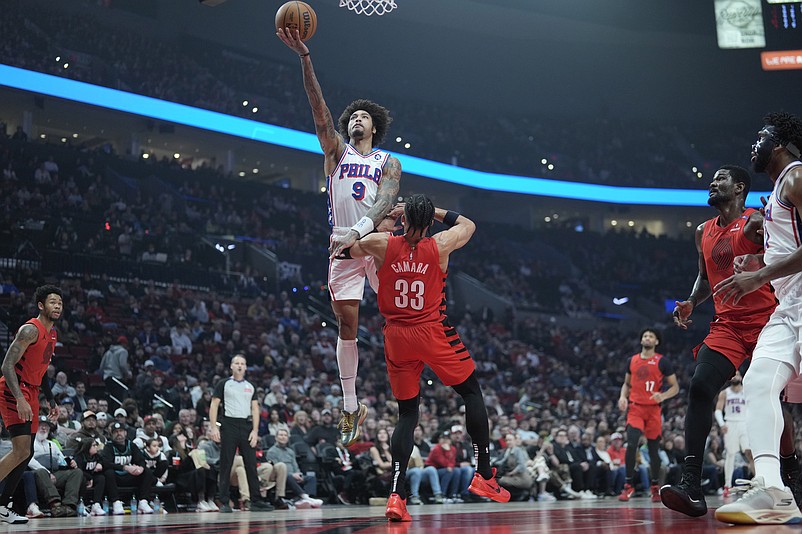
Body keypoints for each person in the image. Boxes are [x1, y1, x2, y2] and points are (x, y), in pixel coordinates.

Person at [344, 194, 510, 522]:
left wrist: (386, 221)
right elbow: (468, 224)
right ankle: (484, 474)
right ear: (430, 220)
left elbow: (349, 248)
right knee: (471, 393)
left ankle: (396, 495)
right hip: (431, 330)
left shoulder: (381, 244)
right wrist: (432, 212)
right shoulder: (440, 245)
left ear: (404, 220)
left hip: (396, 335)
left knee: (407, 414)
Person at [277, 27, 403, 447]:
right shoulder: (335, 151)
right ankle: (351, 405)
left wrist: (360, 230)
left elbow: (385, 202)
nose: (356, 120)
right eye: (352, 117)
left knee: (401, 314)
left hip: (375, 239)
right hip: (341, 244)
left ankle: (420, 369)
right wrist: (305, 59)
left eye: (363, 117)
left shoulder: (389, 160)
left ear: (375, 126)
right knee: (347, 323)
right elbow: (320, 111)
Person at [660, 164, 779, 517]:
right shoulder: (703, 231)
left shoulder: (757, 223)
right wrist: (692, 302)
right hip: (727, 325)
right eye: (712, 179)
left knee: (768, 397)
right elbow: (704, 275)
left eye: (721, 178)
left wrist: (759, 263)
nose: (712, 183)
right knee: (699, 387)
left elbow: (785, 258)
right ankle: (691, 485)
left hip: (766, 321)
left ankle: (788, 475)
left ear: (739, 187)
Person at [713, 111, 802, 525]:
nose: (754, 145)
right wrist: (761, 257)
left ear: (780, 144)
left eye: (761, 138)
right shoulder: (779, 192)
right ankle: (772, 488)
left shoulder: (797, 178)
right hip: (790, 306)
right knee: (757, 381)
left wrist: (761, 275)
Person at [0, 285, 62, 524]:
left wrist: (50, 398)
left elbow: (42, 369)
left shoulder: (53, 333)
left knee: (27, 453)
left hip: (33, 391)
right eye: (52, 302)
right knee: (20, 450)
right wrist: (20, 398)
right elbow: (6, 366)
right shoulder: (29, 330)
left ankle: (3, 506)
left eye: (59, 303)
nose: (57, 306)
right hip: (13, 389)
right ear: (41, 305)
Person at [617, 328, 679, 502]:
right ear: (641, 340)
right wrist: (622, 397)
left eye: (651, 336)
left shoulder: (662, 361)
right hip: (635, 408)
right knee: (632, 443)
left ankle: (655, 487)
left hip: (653, 410)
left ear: (656, 342)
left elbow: (675, 387)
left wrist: (664, 395)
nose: (647, 338)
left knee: (653, 451)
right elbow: (626, 384)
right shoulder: (632, 360)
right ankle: (628, 486)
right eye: (645, 335)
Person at [209, 354, 273, 512]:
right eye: (236, 363)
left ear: (245, 367)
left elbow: (255, 409)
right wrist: (214, 427)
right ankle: (224, 501)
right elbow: (214, 405)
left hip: (246, 425)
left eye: (242, 363)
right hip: (228, 424)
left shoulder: (251, 386)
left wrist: (255, 430)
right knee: (226, 463)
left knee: (251, 464)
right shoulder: (223, 384)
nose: (239, 366)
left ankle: (256, 501)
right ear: (231, 366)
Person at [715, 370, 754, 495]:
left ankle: (758, 480)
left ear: (741, 377)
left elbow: (753, 409)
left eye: (737, 374)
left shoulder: (748, 391)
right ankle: (727, 485)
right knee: (730, 454)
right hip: (730, 423)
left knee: (749, 452)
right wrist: (722, 424)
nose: (735, 376)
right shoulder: (724, 393)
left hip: (744, 423)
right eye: (733, 374)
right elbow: (717, 410)